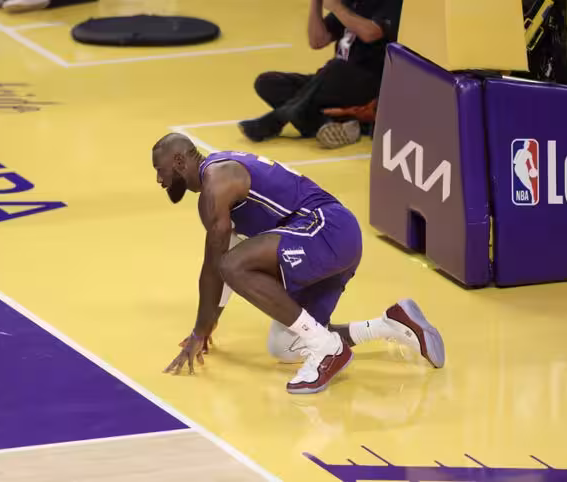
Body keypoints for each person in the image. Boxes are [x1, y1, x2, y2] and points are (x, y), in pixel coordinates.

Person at [154, 133, 444, 394]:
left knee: (233, 265)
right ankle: (390, 325)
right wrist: (208, 323)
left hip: (328, 229)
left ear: (179, 162)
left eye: (160, 169)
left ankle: (326, 348)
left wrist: (199, 330)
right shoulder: (219, 175)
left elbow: (216, 268)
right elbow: (224, 257)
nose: (159, 179)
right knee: (285, 346)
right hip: (326, 239)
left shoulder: (217, 183)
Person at [238, 0, 402, 149]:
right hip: (333, 79)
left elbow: (371, 33)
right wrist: (315, 4)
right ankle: (326, 124)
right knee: (267, 82)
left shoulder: (390, 3)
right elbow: (317, 41)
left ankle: (278, 119)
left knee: (336, 67)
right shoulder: (351, 3)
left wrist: (337, 8)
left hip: (368, 81)